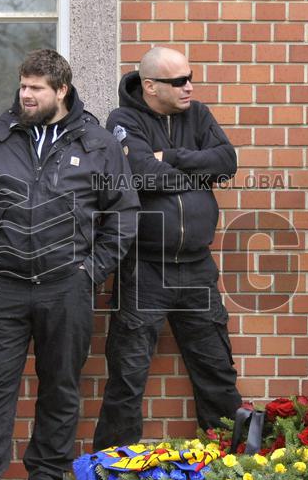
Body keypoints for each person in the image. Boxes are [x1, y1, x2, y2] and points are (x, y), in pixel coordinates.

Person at [0, 49, 138, 480]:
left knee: (60, 384)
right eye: (22, 86)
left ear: (62, 91)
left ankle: (47, 477)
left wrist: (91, 272)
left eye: (36, 88)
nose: (26, 95)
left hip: (67, 284)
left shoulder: (98, 144)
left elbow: (124, 214)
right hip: (3, 282)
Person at [92, 47, 243, 451]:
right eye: (178, 82)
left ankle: (231, 463)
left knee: (216, 370)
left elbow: (226, 161)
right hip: (144, 268)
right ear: (150, 86)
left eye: (190, 77)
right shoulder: (122, 120)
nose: (189, 87)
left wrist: (171, 157)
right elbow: (140, 172)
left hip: (196, 267)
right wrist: (195, 172)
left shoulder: (199, 114)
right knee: (128, 373)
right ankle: (114, 466)